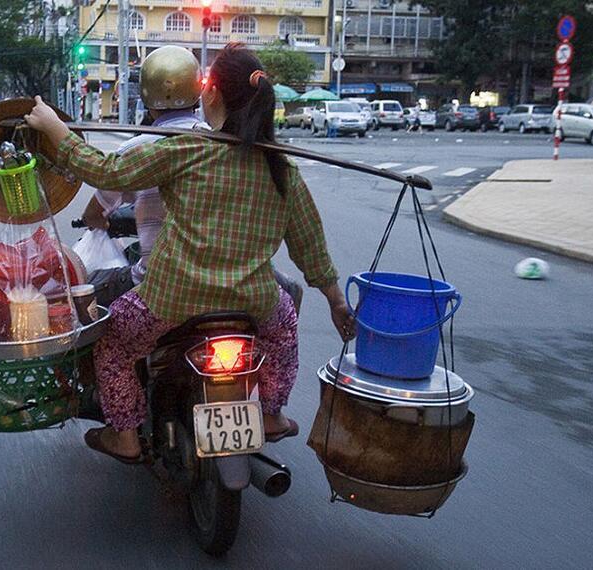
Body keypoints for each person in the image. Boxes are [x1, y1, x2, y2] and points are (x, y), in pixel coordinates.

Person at [26, 44, 355, 463]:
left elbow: (106, 172)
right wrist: (336, 301)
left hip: (170, 299)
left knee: (111, 344)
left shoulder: (184, 149)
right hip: (253, 300)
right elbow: (310, 246)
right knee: (285, 327)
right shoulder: (281, 167)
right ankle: (271, 413)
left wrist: (55, 128)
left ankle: (125, 436)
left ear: (211, 93)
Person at [83, 45, 208, 305]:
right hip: (215, 281)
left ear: (146, 96)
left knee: (85, 292)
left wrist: (103, 223)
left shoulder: (135, 149)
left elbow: (94, 214)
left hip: (155, 285)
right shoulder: (219, 144)